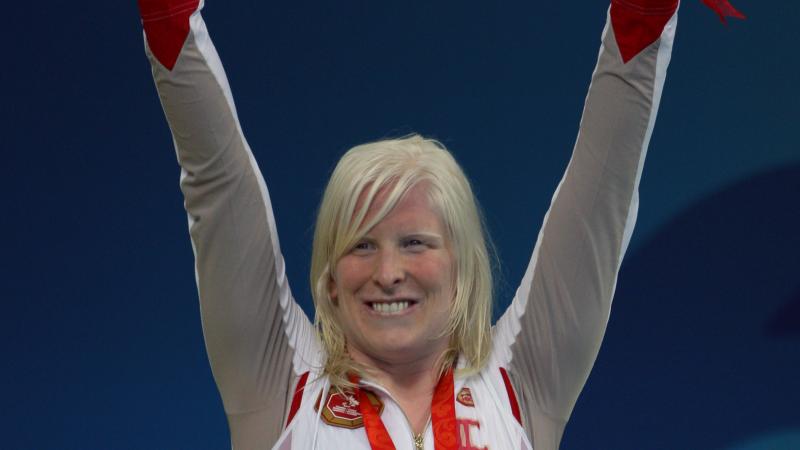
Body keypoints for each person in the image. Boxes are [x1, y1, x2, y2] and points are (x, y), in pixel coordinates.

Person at [137, 0, 708, 448]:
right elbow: (217, 185)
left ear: (461, 268)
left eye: (414, 243)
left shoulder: (520, 381)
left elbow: (601, 192)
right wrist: (169, 17)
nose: (388, 272)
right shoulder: (280, 384)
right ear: (330, 277)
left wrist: (643, 15)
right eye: (361, 244)